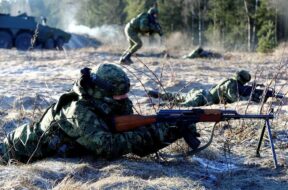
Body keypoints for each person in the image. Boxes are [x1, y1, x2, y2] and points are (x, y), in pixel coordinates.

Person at [0, 63, 199, 164]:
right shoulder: (78, 110)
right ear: (101, 92)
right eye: (118, 96)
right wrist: (155, 131)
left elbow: (131, 143)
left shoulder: (111, 102)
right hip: (15, 151)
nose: (124, 100)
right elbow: (109, 147)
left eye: (125, 94)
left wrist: (171, 129)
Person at [148, 70, 252, 107]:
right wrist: (249, 99)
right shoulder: (232, 84)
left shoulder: (228, 80)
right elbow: (235, 99)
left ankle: (159, 94)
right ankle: (160, 105)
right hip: (203, 98)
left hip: (201, 93)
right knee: (185, 105)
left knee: (179, 96)